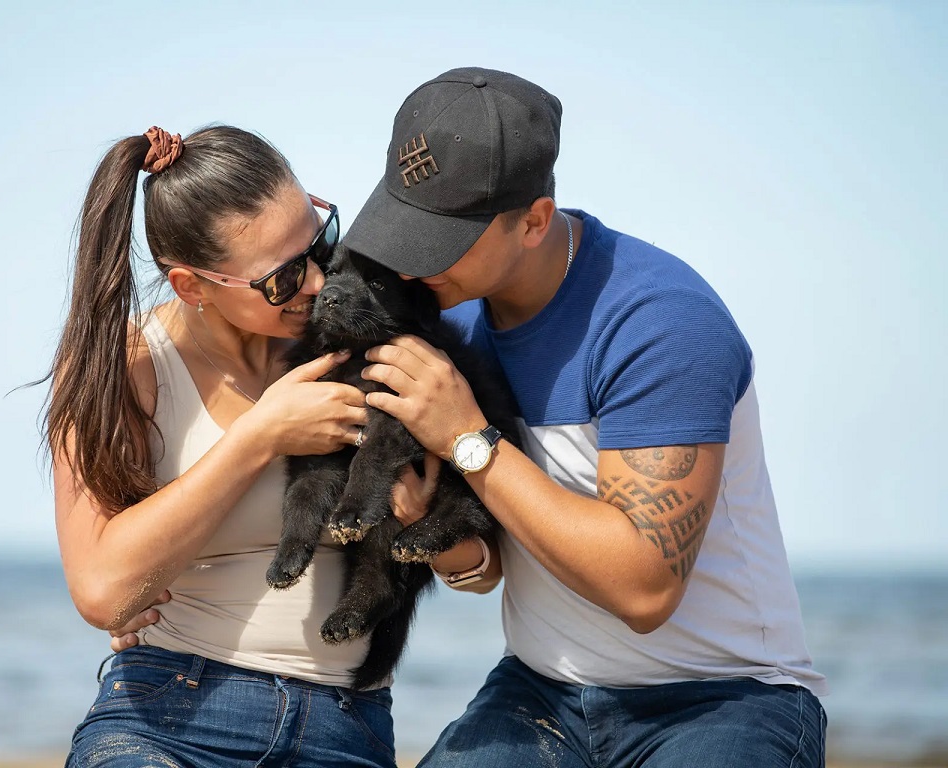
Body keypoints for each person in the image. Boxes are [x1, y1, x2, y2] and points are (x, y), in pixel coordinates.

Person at [342, 67, 828, 767]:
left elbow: (643, 589)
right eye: (406, 226)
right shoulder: (453, 317)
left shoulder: (659, 322)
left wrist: (468, 439)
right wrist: (432, 531)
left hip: (725, 696)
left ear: (535, 221)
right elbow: (492, 565)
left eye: (441, 239)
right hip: (540, 690)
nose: (412, 264)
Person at [45, 124, 481, 767]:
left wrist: (431, 527)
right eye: (281, 279)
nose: (317, 284)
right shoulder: (126, 366)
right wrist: (258, 436)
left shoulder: (368, 333)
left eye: (320, 244)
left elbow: (477, 556)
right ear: (191, 286)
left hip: (347, 722)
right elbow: (103, 591)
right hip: (169, 715)